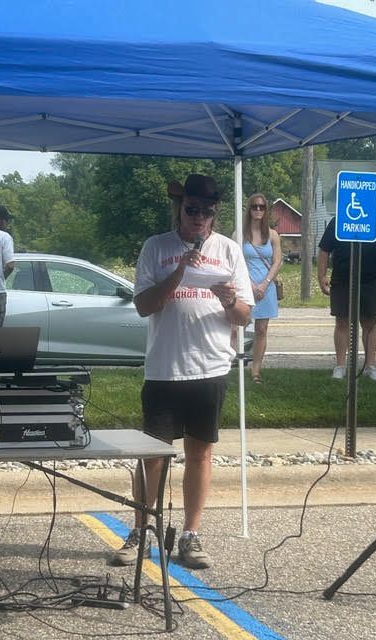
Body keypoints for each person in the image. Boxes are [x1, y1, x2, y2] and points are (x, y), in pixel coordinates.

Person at [111, 174, 253, 569]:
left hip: (209, 366)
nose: (199, 218)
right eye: (192, 210)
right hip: (164, 368)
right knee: (152, 457)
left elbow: (243, 314)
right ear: (180, 208)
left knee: (200, 454)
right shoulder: (157, 247)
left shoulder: (228, 250)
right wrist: (180, 272)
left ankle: (190, 535)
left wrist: (229, 301)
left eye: (207, 212)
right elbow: (144, 305)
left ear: (214, 214)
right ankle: (140, 531)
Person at [318, 214, 376, 382]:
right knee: (342, 322)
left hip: (372, 281)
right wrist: (322, 276)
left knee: (369, 323)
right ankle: (340, 366)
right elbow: (324, 249)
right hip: (341, 279)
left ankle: (369, 366)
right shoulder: (339, 220)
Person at [241, 193, 282, 383]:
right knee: (237, 327)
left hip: (266, 287)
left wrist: (264, 284)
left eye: (262, 207)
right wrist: (250, 285)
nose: (258, 210)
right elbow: (236, 262)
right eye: (254, 206)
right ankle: (233, 363)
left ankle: (256, 371)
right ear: (249, 209)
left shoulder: (272, 235)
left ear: (266, 210)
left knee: (261, 330)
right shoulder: (239, 234)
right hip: (245, 285)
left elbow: (277, 261)